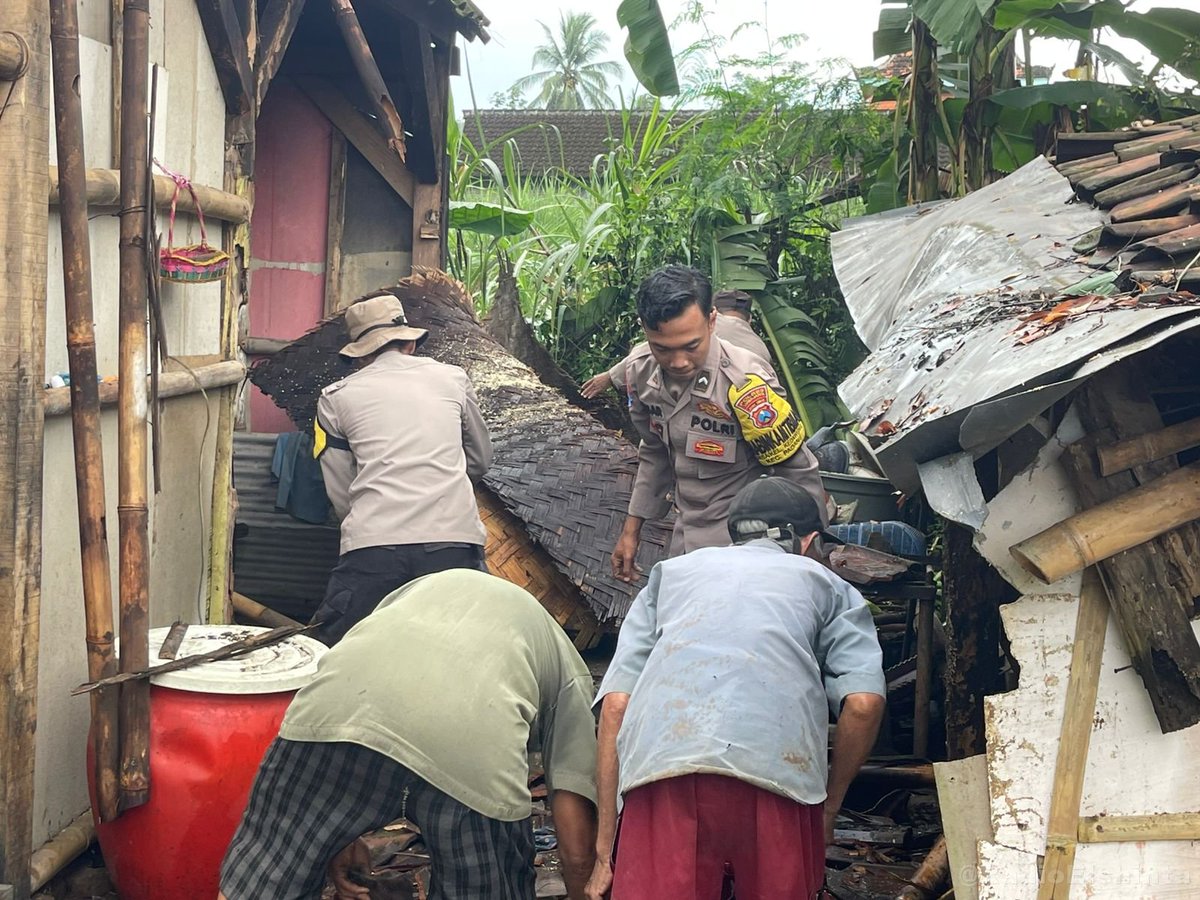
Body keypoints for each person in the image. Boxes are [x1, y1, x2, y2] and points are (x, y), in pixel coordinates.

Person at [585, 477, 887, 900]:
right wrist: (829, 808)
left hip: (663, 768)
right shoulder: (830, 586)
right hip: (779, 773)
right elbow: (864, 704)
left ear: (735, 534)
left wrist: (605, 852)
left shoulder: (670, 575)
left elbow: (617, 706)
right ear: (808, 541)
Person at [219, 569, 600, 900]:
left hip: (335, 711)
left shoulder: (420, 590)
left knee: (261, 882)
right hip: (471, 750)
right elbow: (576, 842)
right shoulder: (570, 670)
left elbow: (382, 700)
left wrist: (335, 833)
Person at [609, 265, 826, 580]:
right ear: (644, 329)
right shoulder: (640, 372)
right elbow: (654, 451)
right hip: (686, 536)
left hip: (748, 542)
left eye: (691, 346)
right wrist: (631, 530)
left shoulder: (746, 382)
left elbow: (797, 470)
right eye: (663, 349)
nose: (678, 362)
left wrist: (813, 557)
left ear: (711, 320)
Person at [310, 290, 493, 644]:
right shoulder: (453, 379)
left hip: (373, 548)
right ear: (409, 343)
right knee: (463, 646)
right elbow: (481, 459)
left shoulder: (334, 398)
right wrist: (444, 484)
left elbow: (341, 492)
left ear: (360, 355)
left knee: (340, 647)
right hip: (453, 542)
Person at [579, 290, 770, 400]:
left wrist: (610, 377)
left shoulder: (703, 324)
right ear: (749, 319)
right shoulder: (761, 347)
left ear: (713, 314)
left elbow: (650, 350)